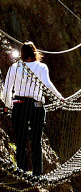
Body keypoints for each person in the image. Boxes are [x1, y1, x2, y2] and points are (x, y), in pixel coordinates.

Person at [3, 41, 64, 176]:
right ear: (34, 52)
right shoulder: (42, 67)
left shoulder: (14, 67)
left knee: (21, 139)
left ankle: (21, 171)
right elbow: (47, 84)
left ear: (22, 54)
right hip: (37, 106)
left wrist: (7, 105)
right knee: (36, 141)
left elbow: (7, 88)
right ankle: (37, 174)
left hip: (19, 105)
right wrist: (59, 97)